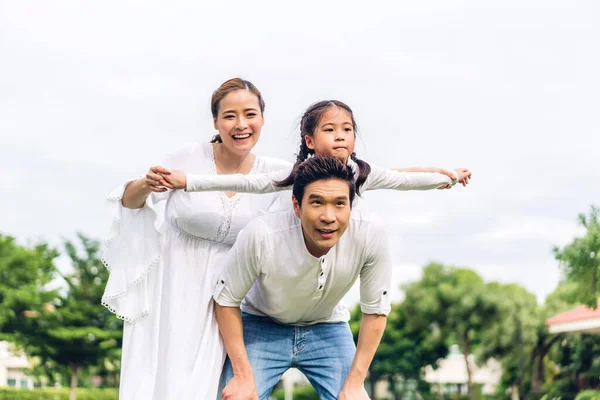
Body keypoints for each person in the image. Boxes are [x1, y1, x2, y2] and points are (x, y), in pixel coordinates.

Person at [100, 78, 291, 400]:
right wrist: (146, 184)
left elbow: (333, 181)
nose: (241, 124)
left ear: (262, 118)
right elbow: (130, 202)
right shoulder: (188, 156)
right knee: (164, 377)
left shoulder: (278, 173)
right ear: (215, 121)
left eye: (250, 114)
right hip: (173, 287)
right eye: (230, 116)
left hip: (232, 297)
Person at [214, 156, 393, 400]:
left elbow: (376, 310)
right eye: (317, 202)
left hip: (328, 326)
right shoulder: (262, 234)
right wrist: (243, 376)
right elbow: (225, 299)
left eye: (340, 203)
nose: (328, 216)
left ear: (351, 206)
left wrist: (355, 383)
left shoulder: (370, 232)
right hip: (262, 323)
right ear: (296, 206)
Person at [159, 100, 472, 203]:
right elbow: (246, 183)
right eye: (329, 129)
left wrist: (446, 176)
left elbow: (399, 178)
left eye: (347, 130)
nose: (340, 137)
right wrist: (187, 180)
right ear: (309, 140)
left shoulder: (358, 173)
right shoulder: (296, 174)